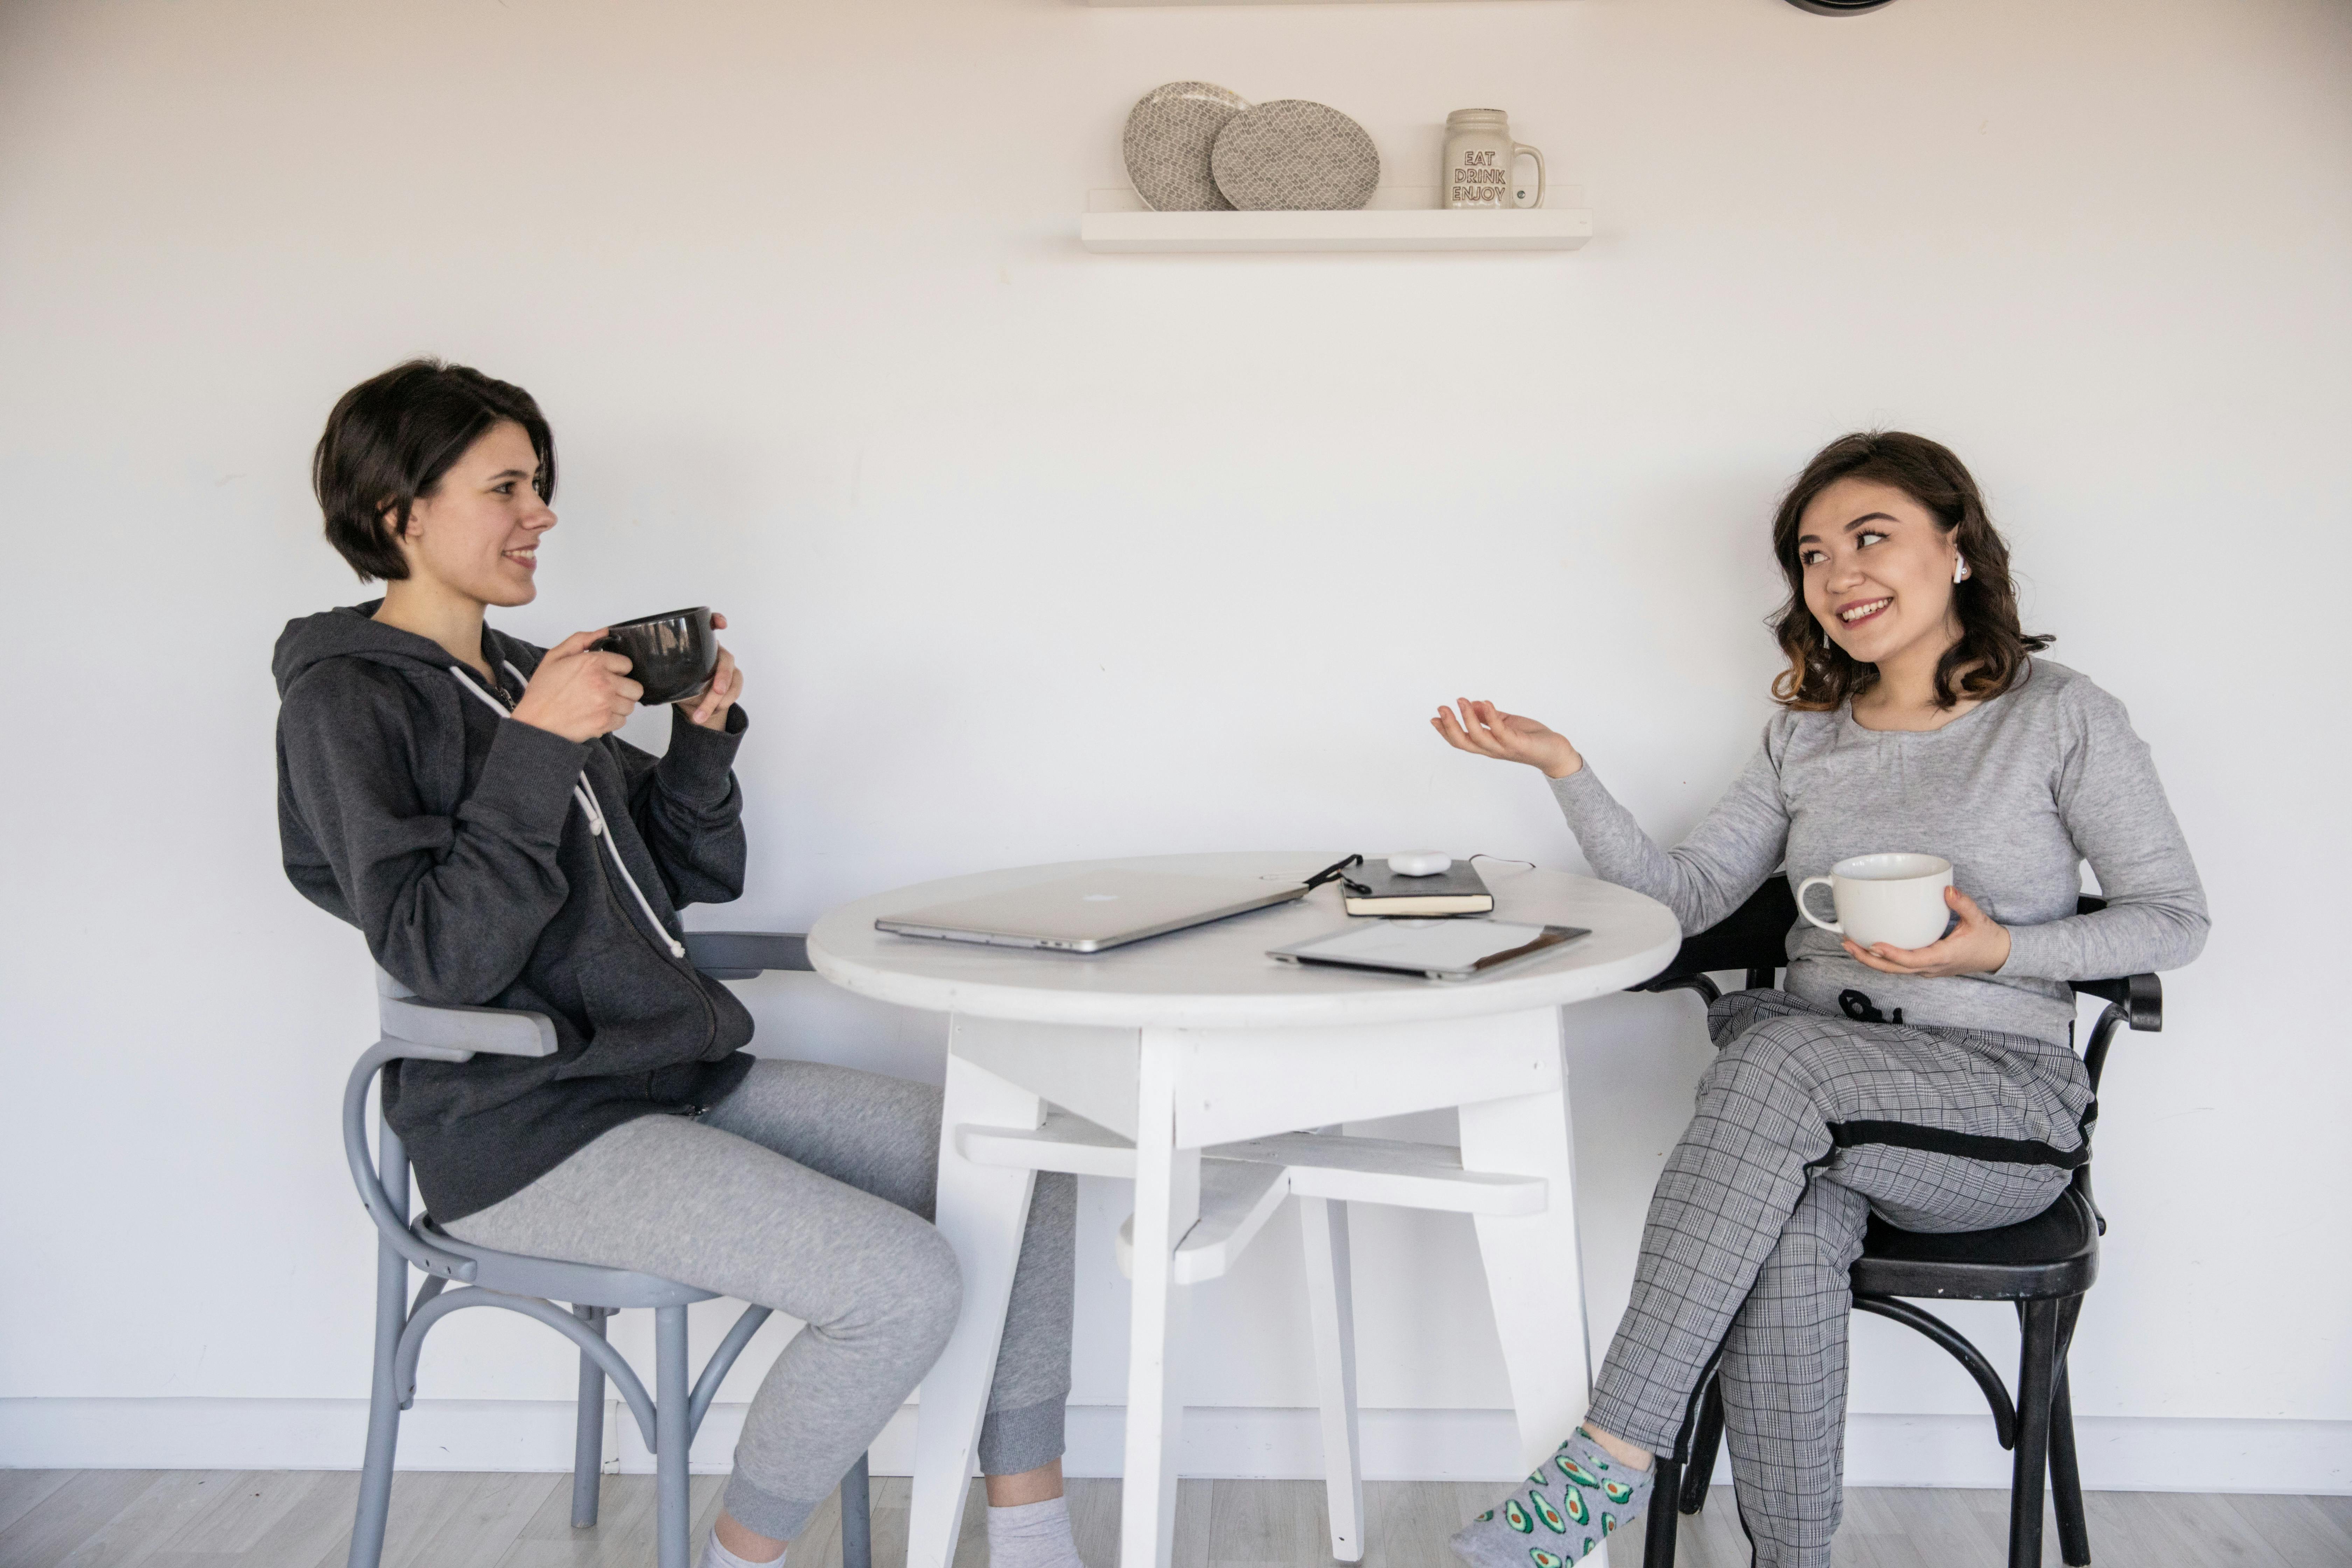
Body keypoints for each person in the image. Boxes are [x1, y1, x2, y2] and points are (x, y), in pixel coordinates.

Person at [274, 360, 1086, 1568]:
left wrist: (696, 742)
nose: (542, 512)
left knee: (1027, 1169)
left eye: (539, 484)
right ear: (402, 513)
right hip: (526, 1129)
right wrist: (539, 745)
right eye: (506, 488)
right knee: (901, 1284)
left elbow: (682, 874)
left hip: (669, 1082)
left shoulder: (526, 674)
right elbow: (438, 955)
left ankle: (1030, 1534)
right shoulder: (346, 703)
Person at [1432, 432, 2207, 1568]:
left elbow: (2174, 920)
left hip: (1998, 1111)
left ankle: (1606, 1461)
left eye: (1870, 537)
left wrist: (1999, 951)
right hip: (1806, 1114)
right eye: (1812, 554)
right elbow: (1686, 899)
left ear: (1957, 546)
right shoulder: (1805, 734)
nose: (1839, 574)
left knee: (1775, 1060)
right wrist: (1566, 770)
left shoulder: (2060, 716)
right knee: (1788, 1218)